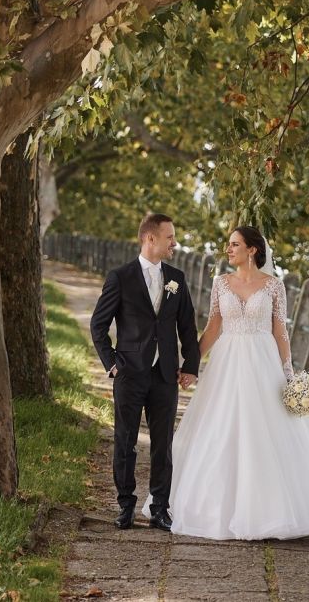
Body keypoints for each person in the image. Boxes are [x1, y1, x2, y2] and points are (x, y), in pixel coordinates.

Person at [143, 225, 309, 540]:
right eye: (228, 245)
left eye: (234, 245)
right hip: (227, 361)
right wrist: (191, 364)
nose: (228, 250)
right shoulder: (221, 283)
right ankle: (214, 506)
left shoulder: (273, 286)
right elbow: (214, 326)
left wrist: (287, 372)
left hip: (263, 362)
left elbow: (279, 331)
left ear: (252, 250)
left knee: (266, 430)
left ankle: (273, 510)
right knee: (219, 426)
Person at [90, 213, 200, 531]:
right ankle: (125, 505)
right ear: (150, 238)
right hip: (129, 372)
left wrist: (190, 367)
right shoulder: (120, 277)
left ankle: (159, 508)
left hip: (165, 374)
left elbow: (187, 328)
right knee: (125, 441)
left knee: (163, 445)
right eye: (170, 237)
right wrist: (111, 362)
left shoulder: (176, 278)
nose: (174, 243)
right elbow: (99, 325)